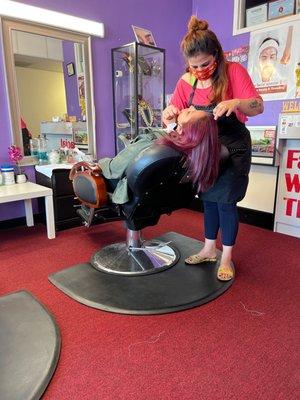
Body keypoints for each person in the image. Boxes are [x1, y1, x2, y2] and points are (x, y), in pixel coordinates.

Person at [163, 16, 264, 281]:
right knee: (208, 200)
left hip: (233, 147)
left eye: (205, 64)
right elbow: (170, 118)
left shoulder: (234, 72)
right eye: (194, 66)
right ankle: (209, 249)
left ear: (216, 55)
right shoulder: (186, 81)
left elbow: (258, 105)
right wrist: (170, 111)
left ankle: (227, 257)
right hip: (205, 149)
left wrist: (238, 102)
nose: (200, 70)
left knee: (226, 203)